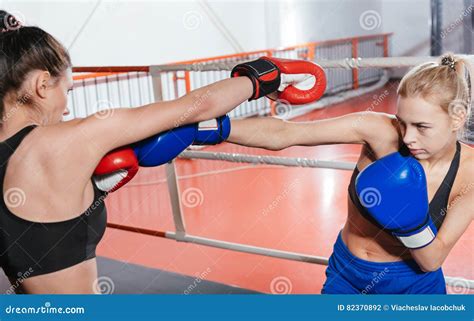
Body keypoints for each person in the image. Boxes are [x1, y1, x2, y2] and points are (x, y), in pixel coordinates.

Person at [0, 11, 323, 293]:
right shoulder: (73, 139)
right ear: (43, 85)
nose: (67, 108)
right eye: (66, 91)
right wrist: (264, 76)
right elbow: (195, 107)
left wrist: (87, 191)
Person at [226, 53, 473, 294]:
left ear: (457, 118)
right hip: (348, 276)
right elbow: (286, 133)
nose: (407, 137)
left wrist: (411, 224)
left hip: (415, 286)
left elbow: (432, 261)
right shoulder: (378, 130)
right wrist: (214, 129)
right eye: (402, 122)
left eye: (421, 126)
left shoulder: (469, 171)